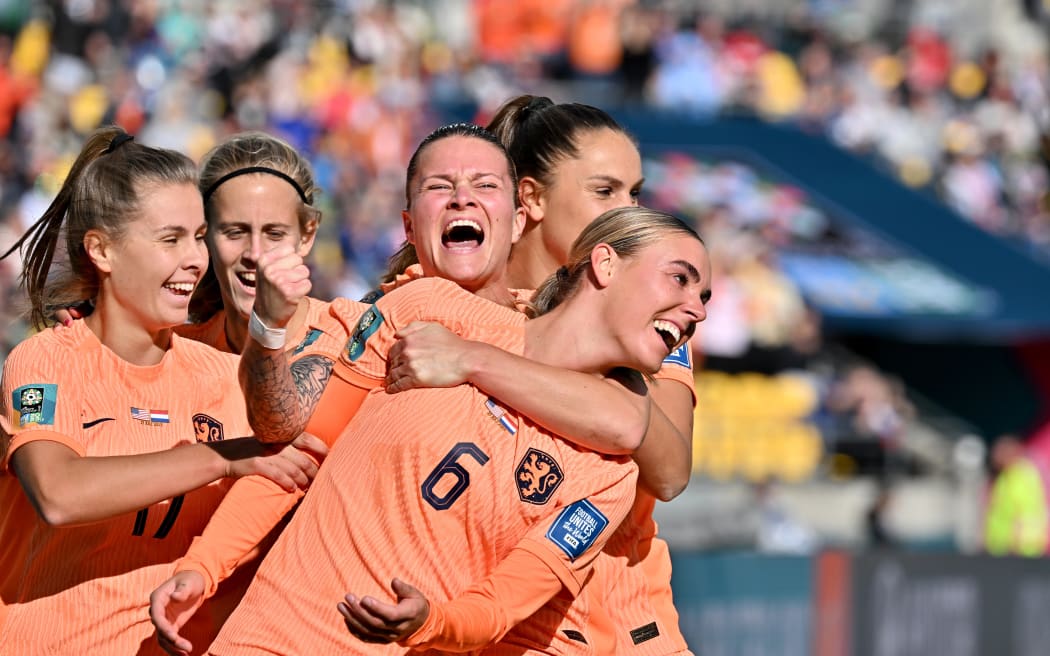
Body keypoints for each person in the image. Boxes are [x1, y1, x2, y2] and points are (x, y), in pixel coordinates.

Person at [211, 204, 710, 655]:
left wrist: (431, 622)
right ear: (604, 263)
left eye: (704, 295)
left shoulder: (611, 475)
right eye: (681, 280)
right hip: (265, 638)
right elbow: (304, 452)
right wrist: (201, 567)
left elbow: (499, 605)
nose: (700, 310)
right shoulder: (432, 310)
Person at [0, 126, 321, 655]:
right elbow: (57, 494)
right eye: (170, 239)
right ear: (102, 250)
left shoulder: (224, 379)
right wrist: (218, 458)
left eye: (199, 236)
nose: (196, 260)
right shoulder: (47, 360)